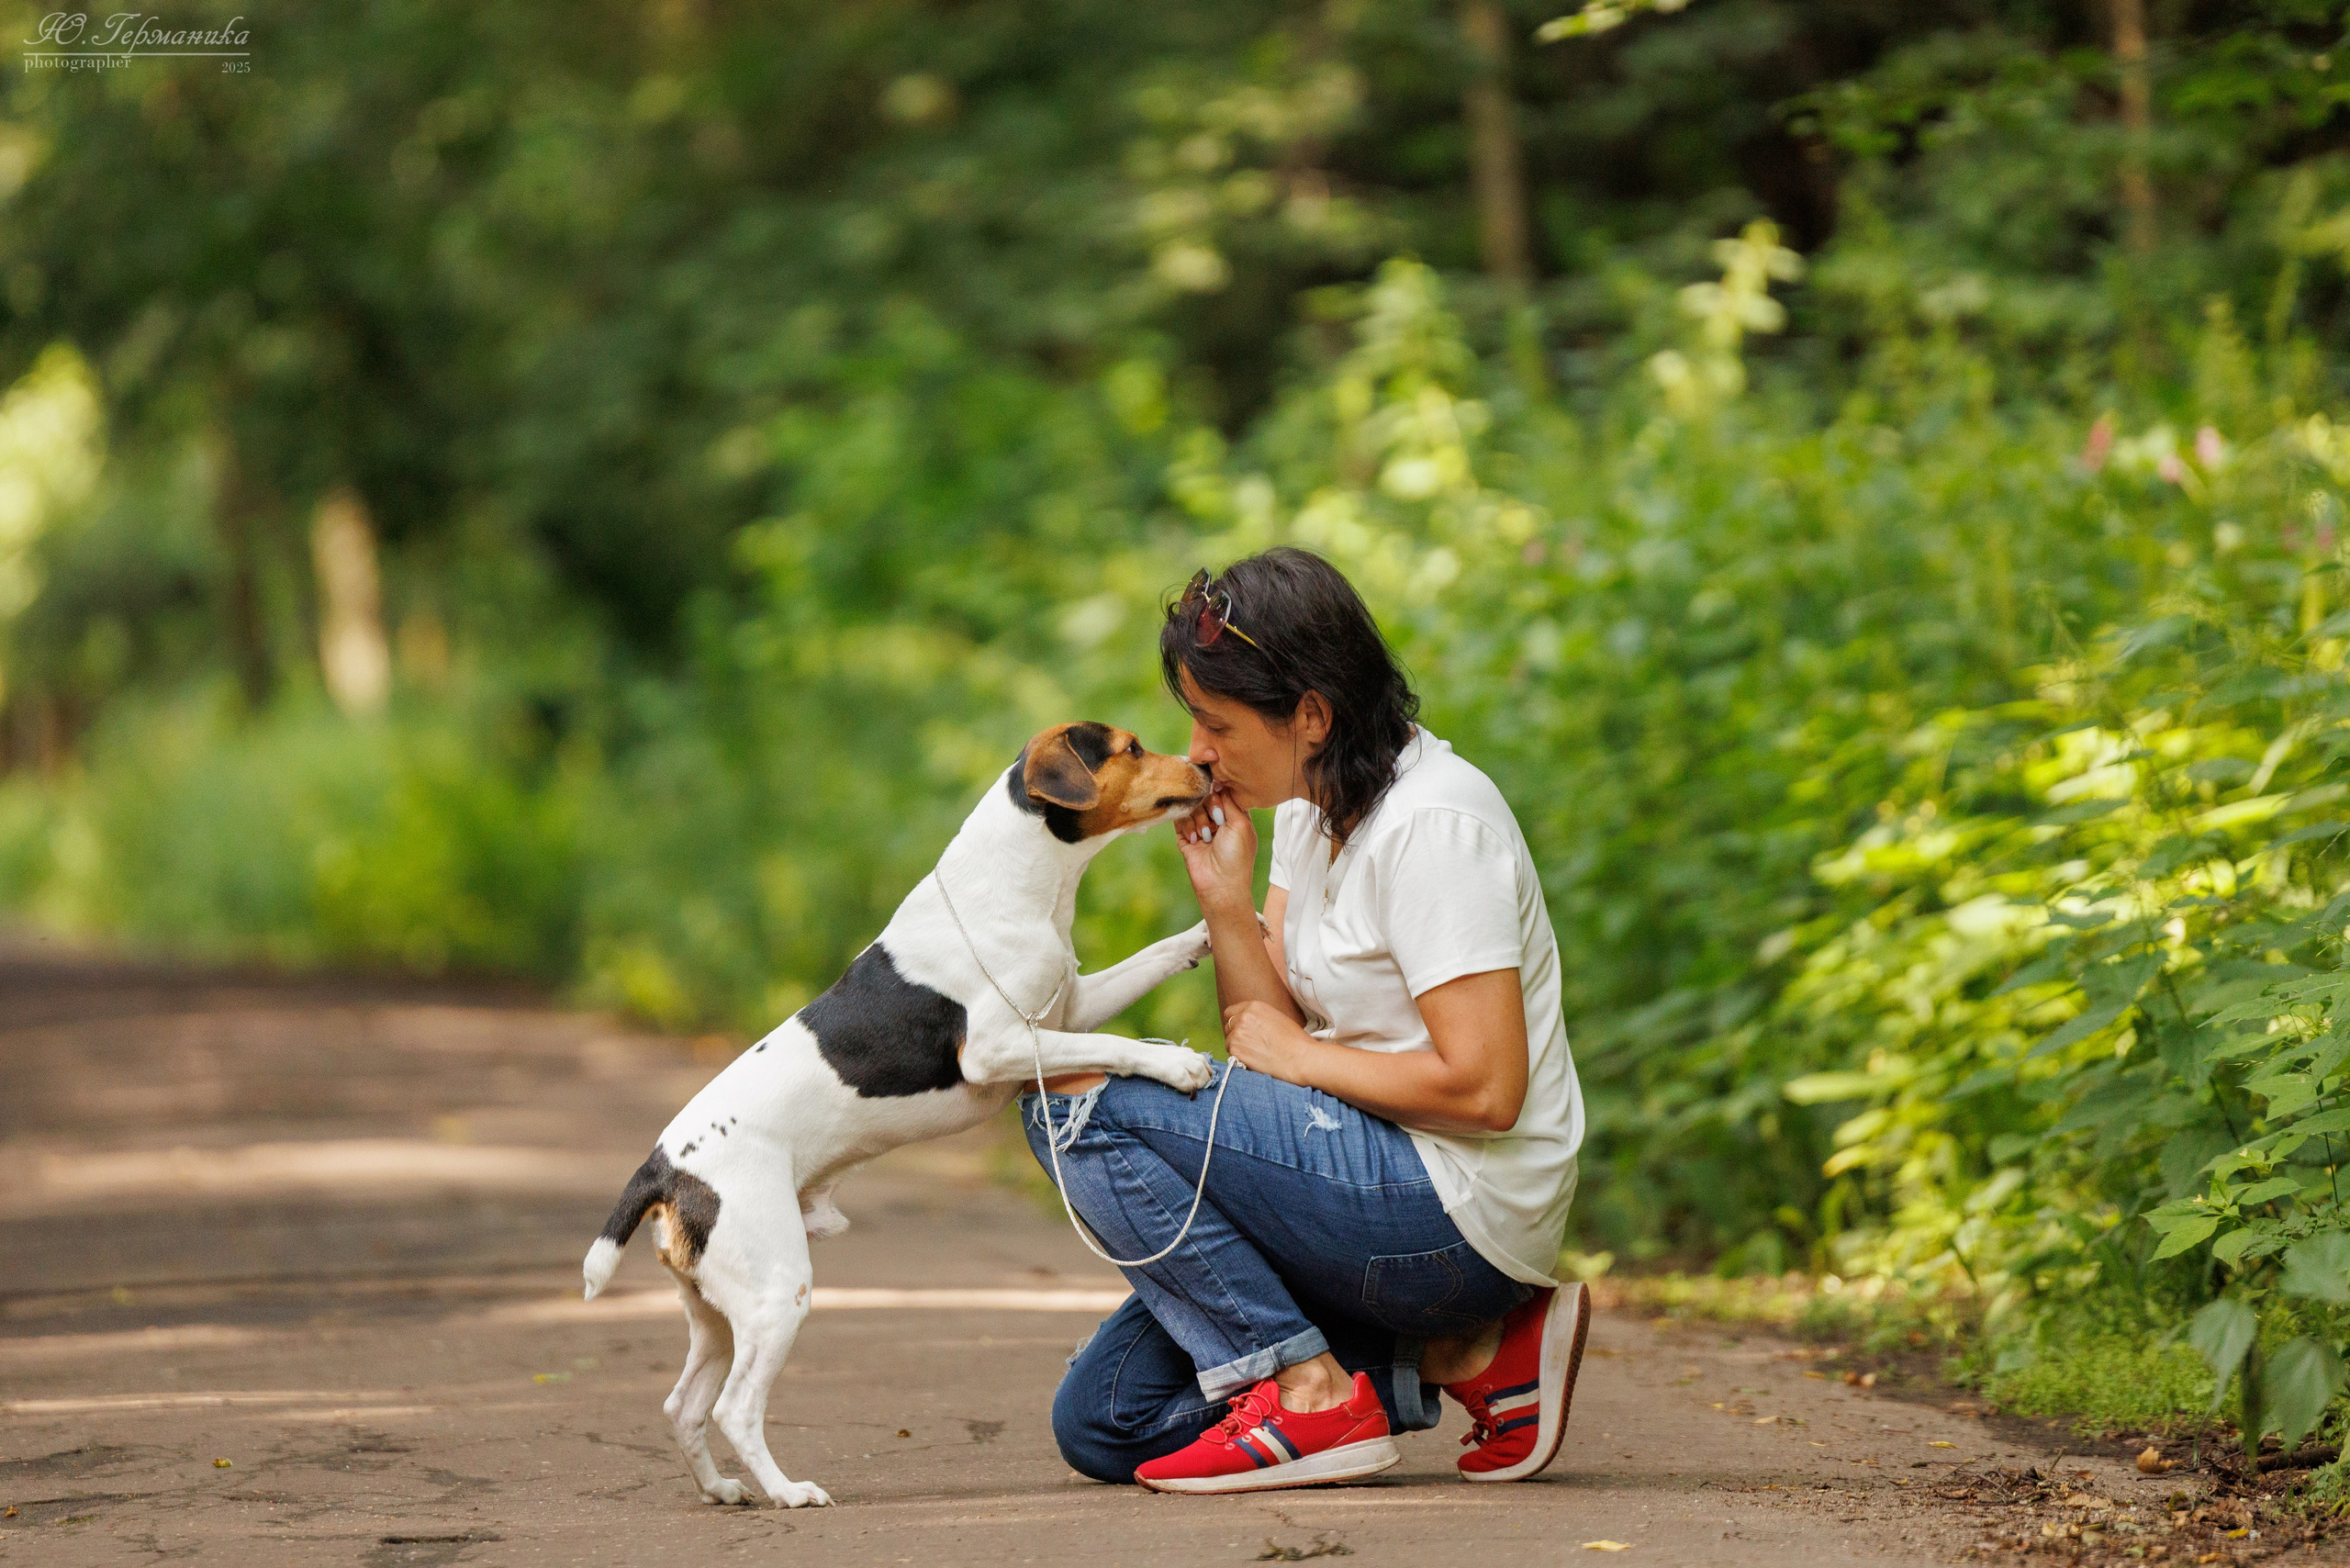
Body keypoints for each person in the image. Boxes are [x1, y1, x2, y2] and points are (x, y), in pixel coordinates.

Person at [1019, 546, 1587, 1495]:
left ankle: (1310, 1389)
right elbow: (1263, 1033)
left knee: (1070, 1092)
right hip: (1359, 1185)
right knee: (1107, 1423)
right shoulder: (1311, 808)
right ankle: (1464, 1357)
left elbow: (1488, 1090)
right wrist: (1226, 906)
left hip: (1454, 1215)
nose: (1197, 752)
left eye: (1215, 724)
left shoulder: (1435, 826)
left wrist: (1303, 1055)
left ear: (1312, 716)